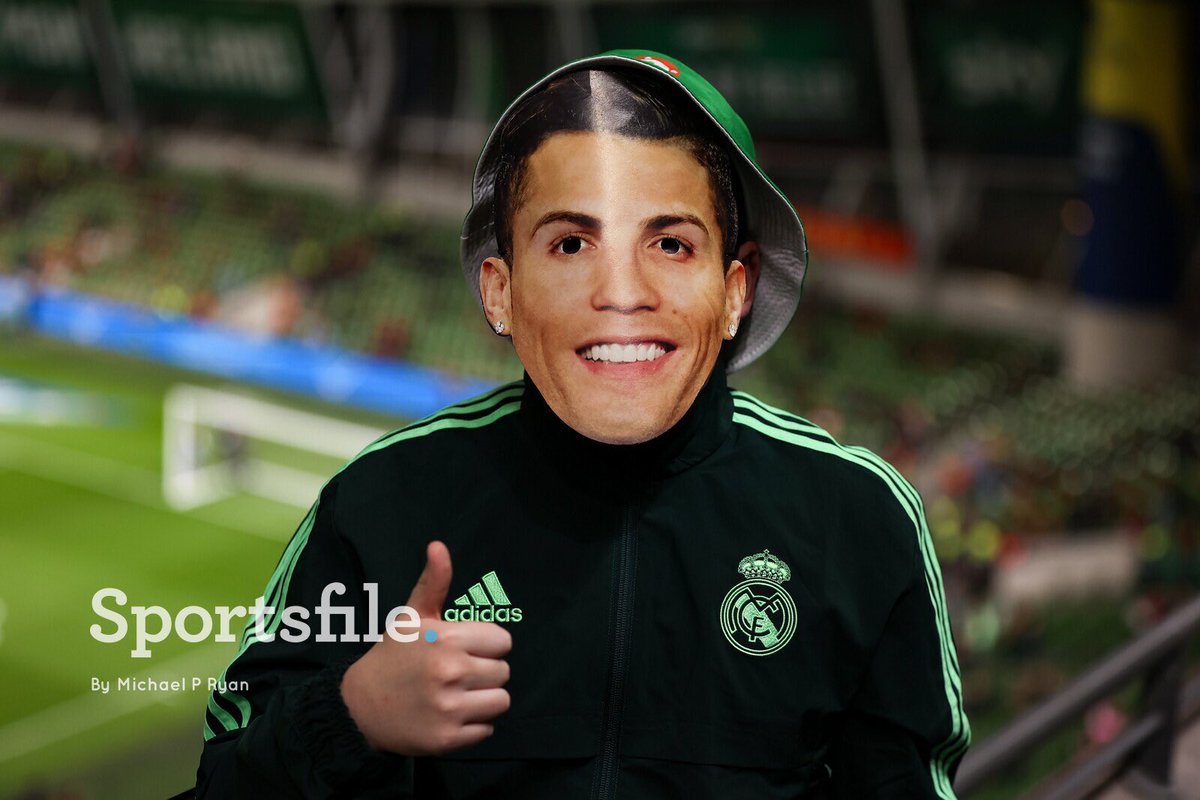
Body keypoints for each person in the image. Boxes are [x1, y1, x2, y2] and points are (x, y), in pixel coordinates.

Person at [196, 50, 969, 798]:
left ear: (736, 290)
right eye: (571, 243)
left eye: (670, 243)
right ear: (499, 291)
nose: (621, 292)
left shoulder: (858, 518)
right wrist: (351, 715)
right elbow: (221, 781)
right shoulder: (380, 501)